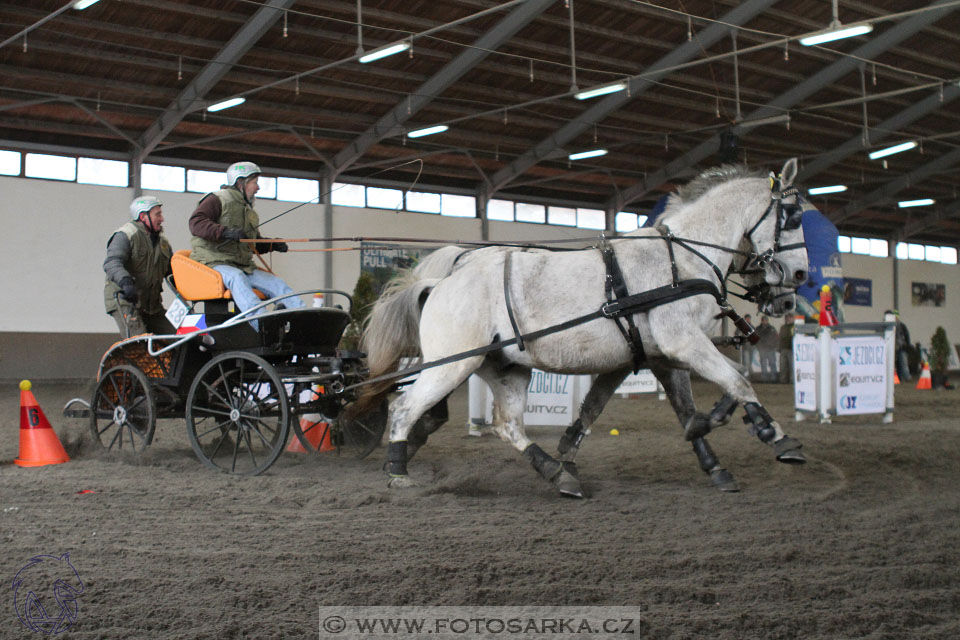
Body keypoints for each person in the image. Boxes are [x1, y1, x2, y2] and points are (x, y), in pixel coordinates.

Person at [188, 161, 305, 329]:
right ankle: (264, 325)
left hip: (242, 265)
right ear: (240, 182)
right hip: (213, 262)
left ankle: (303, 319)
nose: (258, 188)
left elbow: (252, 244)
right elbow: (196, 223)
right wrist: (225, 231)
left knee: (276, 283)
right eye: (254, 182)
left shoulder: (249, 211)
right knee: (237, 278)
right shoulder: (217, 198)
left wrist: (273, 245)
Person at [103, 196, 175, 338]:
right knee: (140, 346)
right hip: (126, 301)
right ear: (143, 216)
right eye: (158, 214)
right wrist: (126, 282)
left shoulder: (163, 243)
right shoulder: (125, 235)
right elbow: (112, 262)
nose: (162, 219)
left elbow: (173, 272)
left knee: (179, 338)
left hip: (152, 306)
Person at [886, 309, 912, 382]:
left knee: (903, 363)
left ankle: (906, 377)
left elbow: (906, 336)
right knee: (899, 363)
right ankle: (899, 377)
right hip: (894, 347)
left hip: (900, 347)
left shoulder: (901, 325)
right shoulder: (898, 325)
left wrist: (907, 345)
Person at [756, 316, 779, 383]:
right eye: (764, 320)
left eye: (766, 320)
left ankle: (773, 379)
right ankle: (764, 379)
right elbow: (756, 338)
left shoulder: (772, 328)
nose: (765, 321)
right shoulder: (758, 329)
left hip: (771, 349)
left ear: (767, 321)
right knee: (763, 364)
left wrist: (774, 346)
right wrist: (759, 347)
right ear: (762, 321)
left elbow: (776, 338)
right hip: (762, 349)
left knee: (772, 364)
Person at [778, 314, 795, 384]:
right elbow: (780, 338)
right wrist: (779, 348)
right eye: (787, 317)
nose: (788, 319)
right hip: (783, 349)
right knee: (783, 366)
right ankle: (783, 380)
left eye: (790, 317)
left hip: (791, 349)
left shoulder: (795, 327)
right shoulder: (783, 327)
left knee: (792, 366)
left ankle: (792, 381)